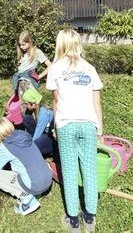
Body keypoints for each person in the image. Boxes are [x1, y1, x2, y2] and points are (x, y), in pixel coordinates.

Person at [46, 29, 104, 233]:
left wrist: (55, 124)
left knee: (69, 172)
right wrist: (100, 129)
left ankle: (72, 220)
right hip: (89, 124)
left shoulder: (55, 69)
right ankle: (90, 218)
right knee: (89, 170)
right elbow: (97, 102)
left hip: (66, 125)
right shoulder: (90, 68)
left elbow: (55, 101)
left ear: (60, 44)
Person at [0, 117, 53, 216]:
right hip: (47, 179)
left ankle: (27, 199)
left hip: (35, 186)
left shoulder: (6, 148)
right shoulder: (24, 134)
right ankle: (35, 191)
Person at [20, 84, 56, 158]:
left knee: (36, 146)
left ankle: (51, 150)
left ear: (34, 104)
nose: (25, 106)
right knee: (26, 118)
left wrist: (30, 146)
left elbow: (39, 131)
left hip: (51, 136)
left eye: (26, 104)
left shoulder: (44, 113)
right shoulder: (34, 110)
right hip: (43, 133)